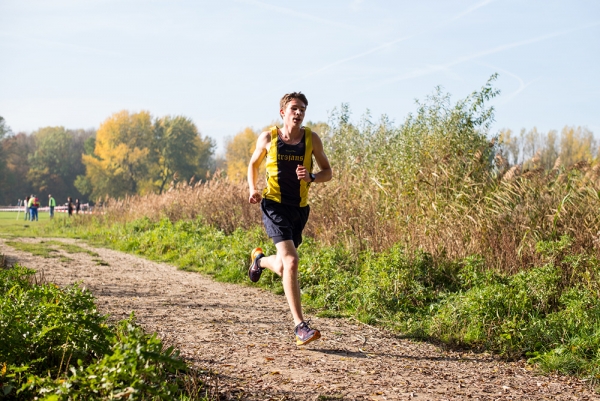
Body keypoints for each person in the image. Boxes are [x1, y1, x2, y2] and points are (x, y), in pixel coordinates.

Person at [247, 92, 333, 346]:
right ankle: (300, 327)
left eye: (303, 109)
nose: (299, 113)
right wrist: (253, 189)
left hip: (299, 209)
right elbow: (253, 165)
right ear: (283, 112)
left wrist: (312, 177)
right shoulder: (268, 138)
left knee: (284, 266)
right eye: (294, 108)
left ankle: (260, 261)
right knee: (292, 261)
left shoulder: (311, 139)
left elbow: (328, 172)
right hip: (273, 205)